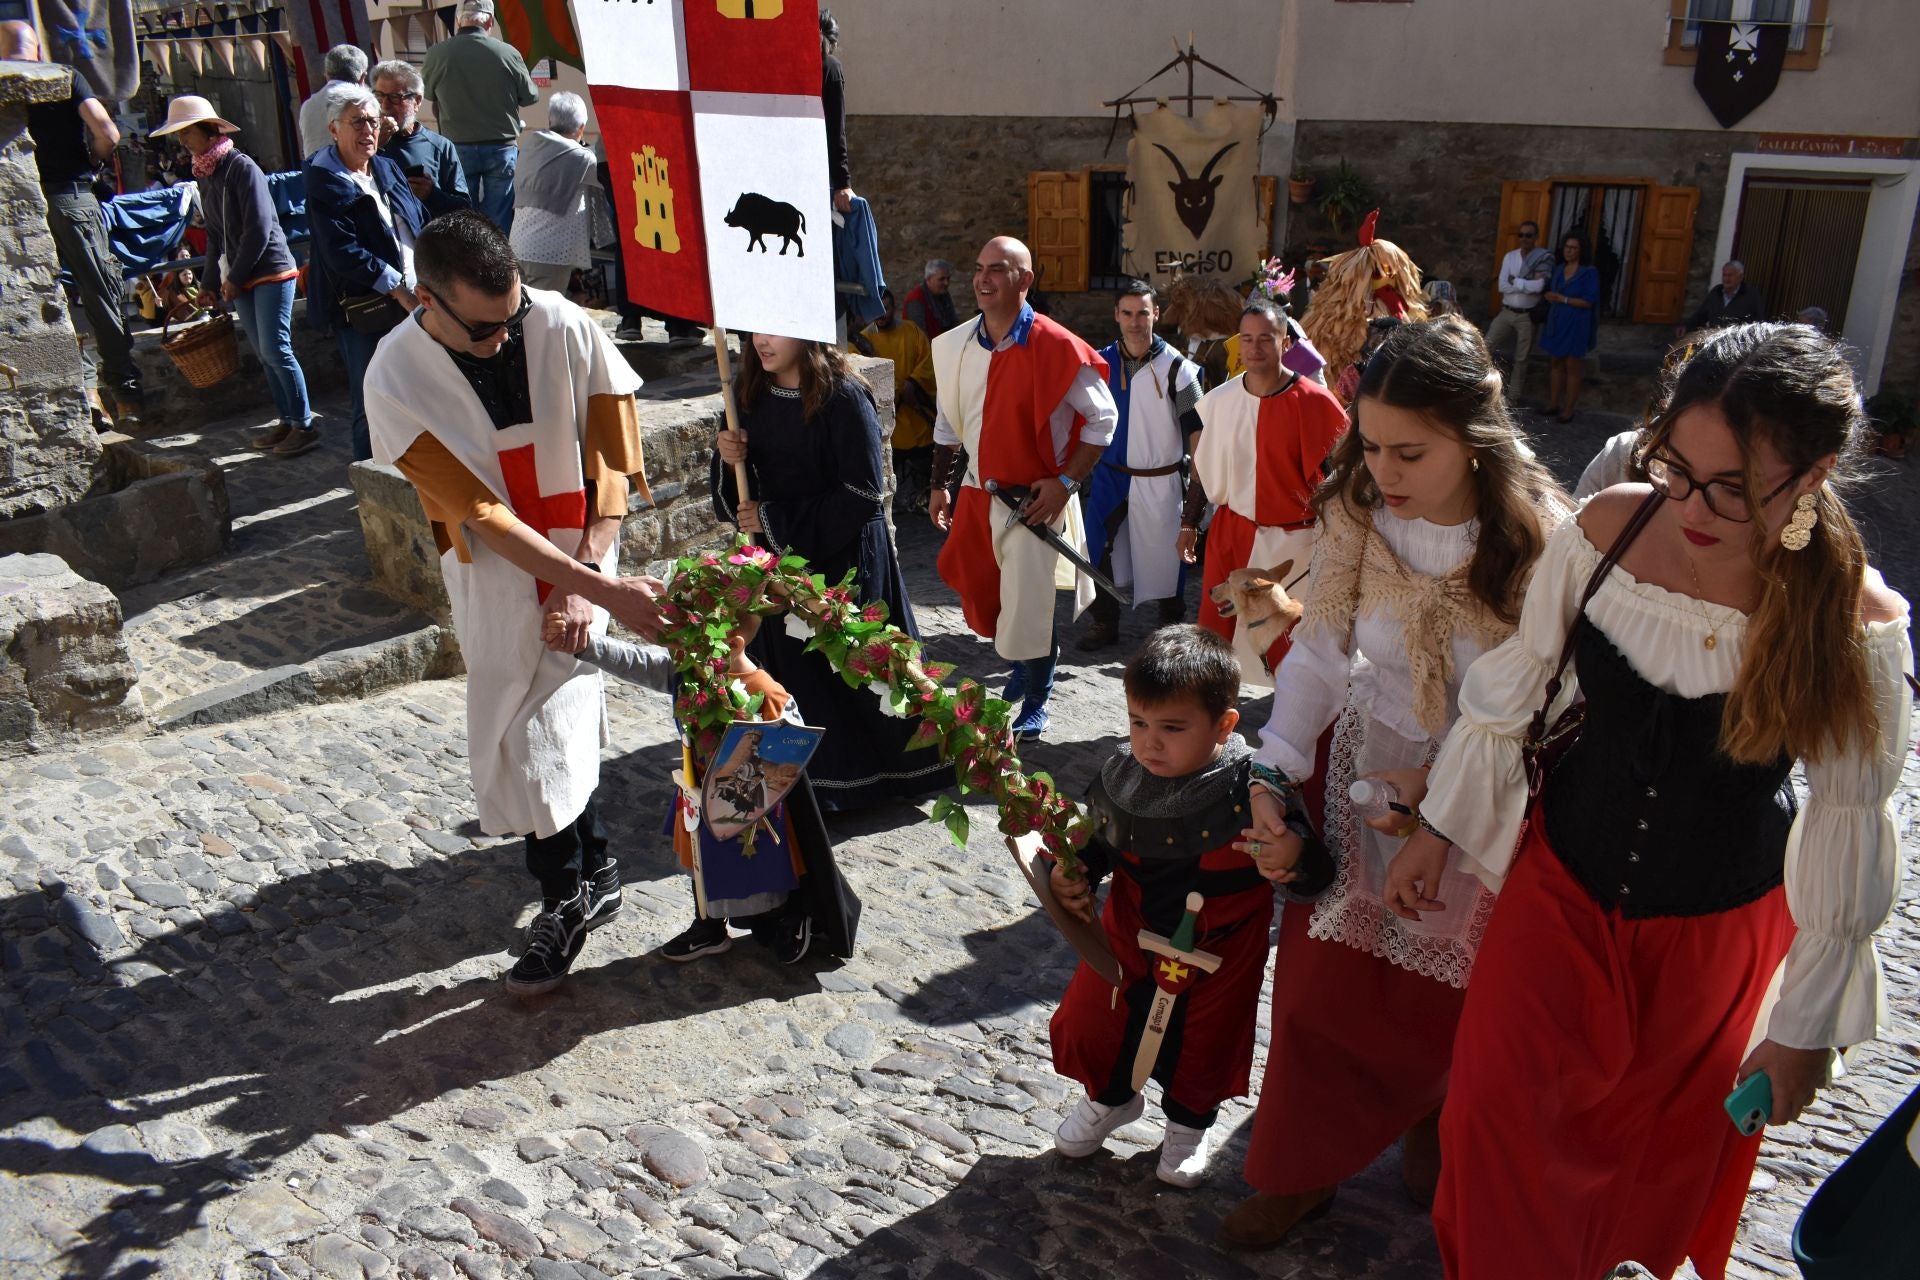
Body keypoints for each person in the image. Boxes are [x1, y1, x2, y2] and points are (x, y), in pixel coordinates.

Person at [1399, 323, 1910, 1279]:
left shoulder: (1853, 626)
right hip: (1561, 889)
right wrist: (1439, 828)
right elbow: (1516, 688)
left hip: (1713, 934)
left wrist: (1801, 1030)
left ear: (1813, 474)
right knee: (1492, 1115)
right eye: (1677, 466)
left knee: (1647, 1162)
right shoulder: (1607, 529)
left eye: (1735, 487)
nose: (1695, 506)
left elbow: (1851, 821)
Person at [1217, 316, 1571, 1250]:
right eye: (1370, 446)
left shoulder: (1540, 545)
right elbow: (1321, 654)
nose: (1383, 471)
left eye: (1409, 451)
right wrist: (1273, 765)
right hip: (1363, 766)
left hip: (1480, 793)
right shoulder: (1357, 514)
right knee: (1322, 989)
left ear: (1478, 439)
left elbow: (1539, 705)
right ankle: (1303, 1167)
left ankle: (1433, 1113)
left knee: (1452, 988)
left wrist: (1450, 791)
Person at [364, 210, 667, 995]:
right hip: (495, 578)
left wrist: (585, 573)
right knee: (520, 724)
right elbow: (480, 511)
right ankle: (593, 868)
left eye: (514, 317)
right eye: (484, 328)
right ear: (425, 300)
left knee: (555, 723)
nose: (506, 337)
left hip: (585, 553)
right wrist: (596, 592)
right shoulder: (392, 378)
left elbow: (610, 467)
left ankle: (566, 893)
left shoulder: (563, 325)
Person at [1048, 627, 1321, 1187]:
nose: (1150, 743)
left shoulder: (1256, 788)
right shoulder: (1124, 773)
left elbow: (1314, 873)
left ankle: (1188, 1126)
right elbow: (1098, 842)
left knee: (1203, 1041)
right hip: (1132, 927)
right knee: (1098, 1021)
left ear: (1224, 725)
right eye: (1138, 723)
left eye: (1172, 728)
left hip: (1220, 947)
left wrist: (1293, 855)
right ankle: (1111, 1099)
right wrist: (1071, 872)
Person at [712, 335, 952, 809]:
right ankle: (806, 786)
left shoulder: (843, 395)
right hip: (779, 565)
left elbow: (862, 495)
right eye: (754, 328)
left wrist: (773, 519)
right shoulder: (746, 394)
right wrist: (727, 458)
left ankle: (874, 780)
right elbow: (736, 499)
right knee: (796, 676)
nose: (760, 340)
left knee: (853, 676)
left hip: (843, 562)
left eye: (773, 328)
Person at [564, 618, 861, 966]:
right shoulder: (689, 673)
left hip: (754, 810)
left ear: (731, 644)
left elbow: (793, 746)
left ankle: (785, 919)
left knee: (761, 872)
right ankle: (708, 926)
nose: (675, 651)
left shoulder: (766, 691)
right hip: (699, 799)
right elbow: (636, 661)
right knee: (701, 865)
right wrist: (584, 645)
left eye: (685, 642)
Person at [928, 236, 1117, 741]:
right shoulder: (957, 346)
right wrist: (939, 487)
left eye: (998, 269)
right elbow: (947, 425)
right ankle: (1020, 667)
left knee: (1029, 604)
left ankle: (1038, 697)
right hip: (975, 492)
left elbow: (1103, 419)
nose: (983, 279)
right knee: (986, 591)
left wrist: (1064, 483)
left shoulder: (1056, 346)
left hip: (1034, 502)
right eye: (979, 268)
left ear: (1024, 280)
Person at [1184, 301, 1348, 684]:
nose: (1255, 348)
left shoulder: (1315, 402)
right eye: (1247, 339)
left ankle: (1296, 722)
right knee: (1214, 638)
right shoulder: (1221, 401)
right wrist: (1188, 522)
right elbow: (1204, 470)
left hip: (1296, 541)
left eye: (1266, 339)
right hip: (1233, 532)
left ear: (1286, 342)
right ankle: (1209, 717)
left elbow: (1340, 478)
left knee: (1294, 642)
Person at [3, 21, 144, 429]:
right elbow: (107, 132)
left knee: (42, 303)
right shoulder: (64, 78)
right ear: (37, 47)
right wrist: (92, 162)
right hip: (71, 196)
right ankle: (126, 398)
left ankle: (83, 395)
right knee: (101, 295)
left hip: (18, 209)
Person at [152, 95, 311, 455]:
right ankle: (287, 419)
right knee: (262, 352)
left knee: (277, 349)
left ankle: (304, 423)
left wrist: (233, 277)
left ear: (208, 130)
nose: (182, 142)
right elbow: (216, 236)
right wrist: (209, 284)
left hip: (269, 269)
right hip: (240, 276)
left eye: (186, 132)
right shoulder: (206, 175)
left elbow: (257, 229)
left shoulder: (241, 168)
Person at [1080, 280, 1205, 650]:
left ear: (1156, 315)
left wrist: (1198, 492)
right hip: (1110, 477)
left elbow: (1197, 431)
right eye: (1128, 313)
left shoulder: (1178, 369)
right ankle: (1104, 622)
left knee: (1170, 556)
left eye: (1143, 313)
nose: (1135, 322)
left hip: (1161, 479)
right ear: (1116, 316)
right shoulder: (1099, 364)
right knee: (1098, 548)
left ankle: (1170, 625)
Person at [305, 87, 427, 461]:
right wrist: (397, 288)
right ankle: (371, 481)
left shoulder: (386, 166)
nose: (368, 131)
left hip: (414, 293)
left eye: (373, 121)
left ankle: (416, 472)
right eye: (357, 122)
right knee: (370, 397)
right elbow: (341, 251)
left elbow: (415, 220)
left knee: (418, 393)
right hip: (364, 307)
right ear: (334, 129)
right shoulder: (323, 180)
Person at [422, 0, 537, 235]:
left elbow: (427, 95)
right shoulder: (507, 52)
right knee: (498, 217)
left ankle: (469, 264)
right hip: (501, 146)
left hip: (457, 146)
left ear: (458, 21)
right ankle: (495, 265)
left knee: (463, 213)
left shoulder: (437, 54)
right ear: (490, 21)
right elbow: (530, 96)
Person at [509, 93, 608, 293]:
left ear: (549, 121)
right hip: (550, 253)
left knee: (522, 313)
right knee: (545, 318)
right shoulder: (583, 159)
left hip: (517, 246)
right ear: (581, 127)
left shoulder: (531, 144)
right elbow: (606, 178)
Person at [856, 288, 939, 513]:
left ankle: (925, 498)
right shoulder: (863, 339)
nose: (882, 314)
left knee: (924, 463)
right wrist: (892, 392)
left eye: (887, 308)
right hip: (887, 421)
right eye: (877, 309)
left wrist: (913, 383)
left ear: (894, 308)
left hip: (915, 415)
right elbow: (858, 370)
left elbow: (927, 360)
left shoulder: (911, 332)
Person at [372, 59, 469, 217]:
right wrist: (376, 145)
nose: (384, 105)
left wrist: (431, 195)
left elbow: (464, 207)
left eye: (395, 98)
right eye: (379, 96)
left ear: (416, 101)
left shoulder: (440, 146)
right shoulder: (365, 143)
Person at [1482, 219, 1554, 402]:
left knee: (1521, 359)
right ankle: (1480, 388)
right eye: (1521, 235)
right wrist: (1525, 284)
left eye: (1528, 235)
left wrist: (1517, 281)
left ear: (1535, 237)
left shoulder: (1542, 258)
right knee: (1485, 347)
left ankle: (1513, 398)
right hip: (1506, 311)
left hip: (1527, 315)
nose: (1524, 239)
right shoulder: (1510, 257)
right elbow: (1502, 286)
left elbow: (1540, 286)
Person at [1539, 230, 1599, 424]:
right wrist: (1551, 296)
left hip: (1576, 322)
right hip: (1557, 320)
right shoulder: (1559, 269)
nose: (1569, 251)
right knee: (1555, 362)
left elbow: (1589, 301)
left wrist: (1563, 299)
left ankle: (1568, 409)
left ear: (1581, 251)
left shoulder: (1589, 272)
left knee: (1572, 365)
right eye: (1567, 247)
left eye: (1574, 248)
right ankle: (1553, 403)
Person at [297, 44, 368, 160]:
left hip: (313, 172)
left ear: (326, 74)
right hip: (348, 174)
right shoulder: (363, 102)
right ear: (363, 77)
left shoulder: (308, 105)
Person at [820, 9, 852, 215]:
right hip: (821, 170)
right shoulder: (831, 68)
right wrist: (843, 183)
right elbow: (835, 128)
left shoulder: (794, 64)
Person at [1681, 259, 1766, 335]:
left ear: (1740, 277)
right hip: (1714, 341)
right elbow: (1700, 315)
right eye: (1724, 275)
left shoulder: (1751, 295)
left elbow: (1758, 321)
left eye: (1730, 275)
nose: (1726, 279)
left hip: (1737, 344)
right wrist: (1686, 326)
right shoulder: (1716, 292)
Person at [902, 259, 958, 339]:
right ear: (928, 279)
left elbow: (953, 323)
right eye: (941, 279)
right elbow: (920, 337)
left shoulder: (944, 294)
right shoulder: (916, 299)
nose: (946, 283)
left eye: (948, 278)